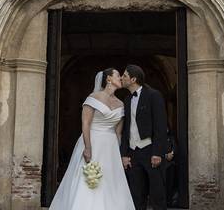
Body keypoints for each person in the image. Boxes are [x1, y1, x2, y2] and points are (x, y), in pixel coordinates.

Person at [49, 68, 135, 210]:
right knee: (88, 179)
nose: (120, 78)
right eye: (118, 75)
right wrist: (88, 147)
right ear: (108, 79)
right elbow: (86, 124)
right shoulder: (93, 98)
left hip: (110, 147)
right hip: (93, 141)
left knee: (110, 181)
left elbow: (118, 132)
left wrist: (120, 154)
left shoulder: (121, 104)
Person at [120, 64, 168, 210]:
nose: (122, 78)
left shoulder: (154, 95)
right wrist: (125, 154)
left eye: (125, 76)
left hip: (150, 151)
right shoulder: (127, 100)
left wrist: (157, 153)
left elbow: (160, 126)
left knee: (157, 194)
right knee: (136, 195)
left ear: (133, 79)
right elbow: (126, 129)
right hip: (133, 153)